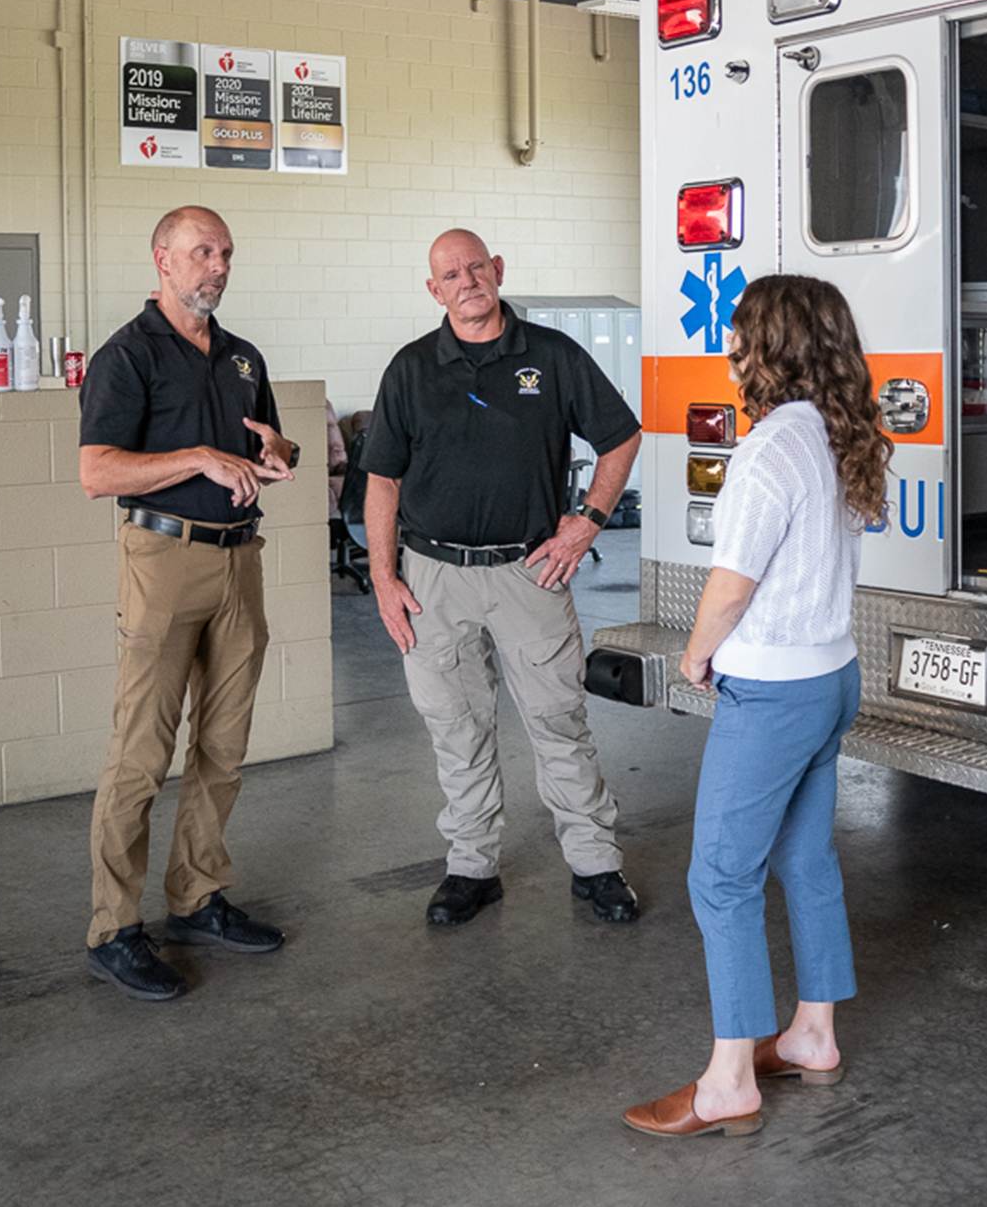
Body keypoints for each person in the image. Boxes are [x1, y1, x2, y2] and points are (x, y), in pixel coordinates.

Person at [624, 275, 893, 1138]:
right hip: (832, 676)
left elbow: (730, 584)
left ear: (769, 345)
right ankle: (812, 1033)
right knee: (804, 858)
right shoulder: (839, 431)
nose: (729, 348)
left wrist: (695, 655)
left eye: (739, 335)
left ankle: (728, 1080)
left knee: (720, 876)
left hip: (774, 688)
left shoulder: (770, 446)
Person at [362, 228, 643, 926]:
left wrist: (587, 521)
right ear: (435, 290)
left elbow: (620, 435)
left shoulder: (551, 356)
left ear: (497, 270)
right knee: (454, 728)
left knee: (557, 720)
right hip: (432, 576)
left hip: (529, 572)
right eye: (450, 274)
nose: (466, 281)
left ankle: (595, 864)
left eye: (476, 267)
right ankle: (470, 867)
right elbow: (381, 483)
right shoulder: (410, 368)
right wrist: (383, 576)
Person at [79, 206, 300, 1001]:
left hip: (239, 561)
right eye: (201, 251)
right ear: (162, 260)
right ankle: (113, 927)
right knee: (142, 752)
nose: (217, 265)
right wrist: (200, 456)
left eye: (226, 253)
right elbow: (98, 471)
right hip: (162, 559)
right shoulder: (127, 355)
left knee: (223, 746)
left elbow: (271, 441)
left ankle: (197, 896)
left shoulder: (241, 356)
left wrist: (276, 451)